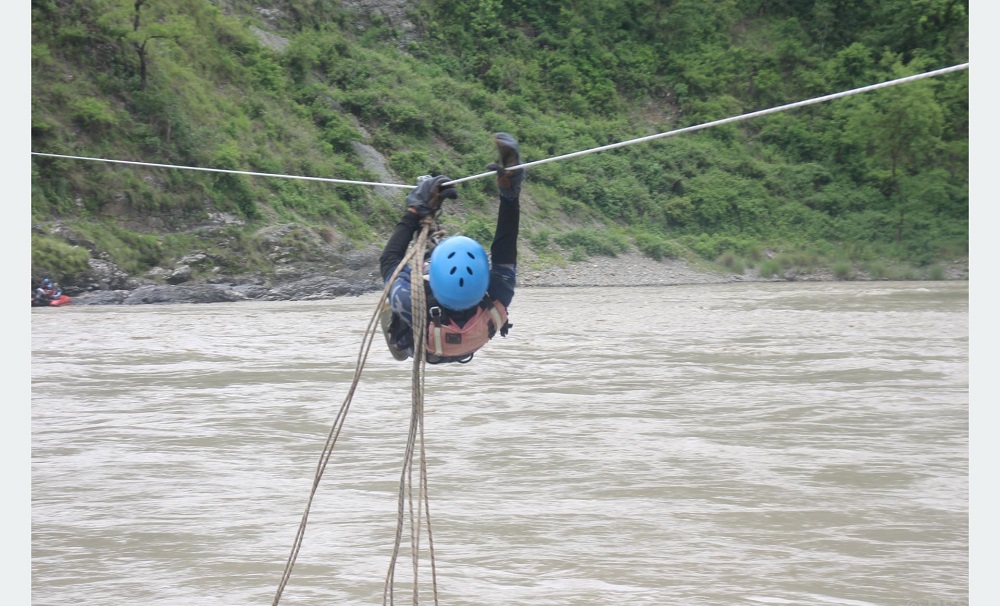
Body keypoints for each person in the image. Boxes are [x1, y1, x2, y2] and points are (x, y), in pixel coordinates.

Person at [379, 132, 524, 364]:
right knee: (410, 274)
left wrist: (415, 211)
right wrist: (510, 196)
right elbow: (505, 245)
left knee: (396, 291)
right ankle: (429, 246)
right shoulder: (498, 296)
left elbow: (389, 262)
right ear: (483, 278)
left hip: (421, 347)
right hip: (464, 343)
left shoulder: (410, 302)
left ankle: (398, 344)